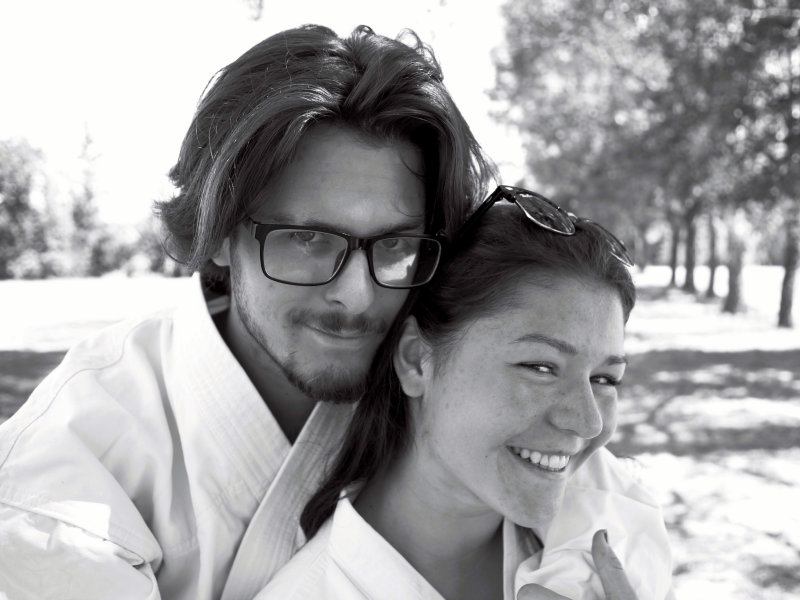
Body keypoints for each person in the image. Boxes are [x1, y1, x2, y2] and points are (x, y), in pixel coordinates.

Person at [0, 25, 494, 600]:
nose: (358, 296)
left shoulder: (449, 402)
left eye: (395, 244)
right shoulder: (67, 470)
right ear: (218, 233)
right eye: (308, 239)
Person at [254, 186, 674, 600]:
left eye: (605, 379)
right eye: (541, 367)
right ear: (417, 359)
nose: (589, 422)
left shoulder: (618, 524)